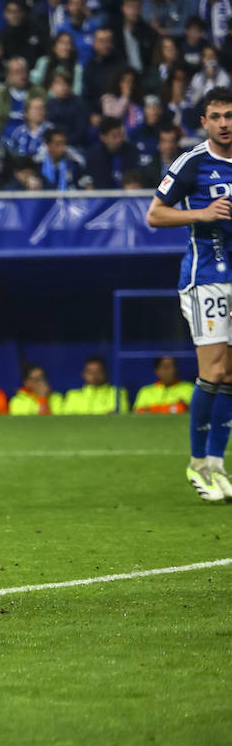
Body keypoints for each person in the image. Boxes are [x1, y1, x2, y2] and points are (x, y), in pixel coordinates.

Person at [146, 86, 232, 501]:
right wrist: (202, 212)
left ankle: (216, 464)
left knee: (231, 374)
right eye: (216, 116)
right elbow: (155, 214)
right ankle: (197, 461)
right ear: (204, 122)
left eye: (230, 115)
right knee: (214, 371)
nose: (225, 123)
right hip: (206, 278)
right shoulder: (193, 163)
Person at [57, 357, 130, 414]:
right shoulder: (73, 395)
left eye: (98, 371)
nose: (94, 375)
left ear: (106, 373)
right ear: (83, 374)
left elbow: (118, 415)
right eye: (90, 371)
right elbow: (66, 418)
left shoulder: (116, 392)